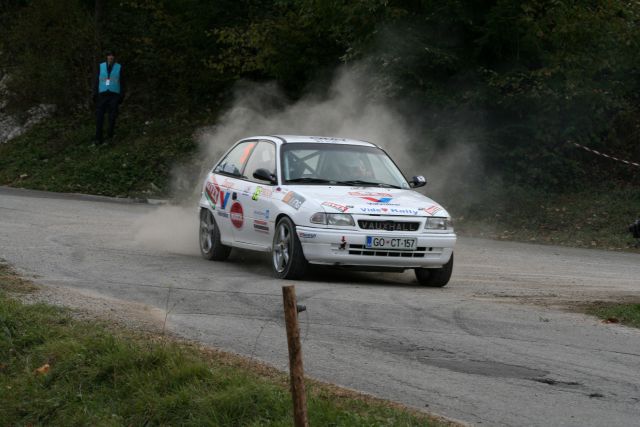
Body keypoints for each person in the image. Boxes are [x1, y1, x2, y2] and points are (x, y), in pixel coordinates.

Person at [93, 50, 125, 144]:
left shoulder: (119, 67)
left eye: (112, 55)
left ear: (114, 57)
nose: (111, 57)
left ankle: (109, 137)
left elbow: (123, 82)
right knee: (99, 117)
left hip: (114, 95)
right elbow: (96, 80)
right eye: (109, 55)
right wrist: (95, 93)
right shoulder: (101, 66)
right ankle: (98, 138)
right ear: (106, 57)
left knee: (112, 117)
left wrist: (121, 95)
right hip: (102, 94)